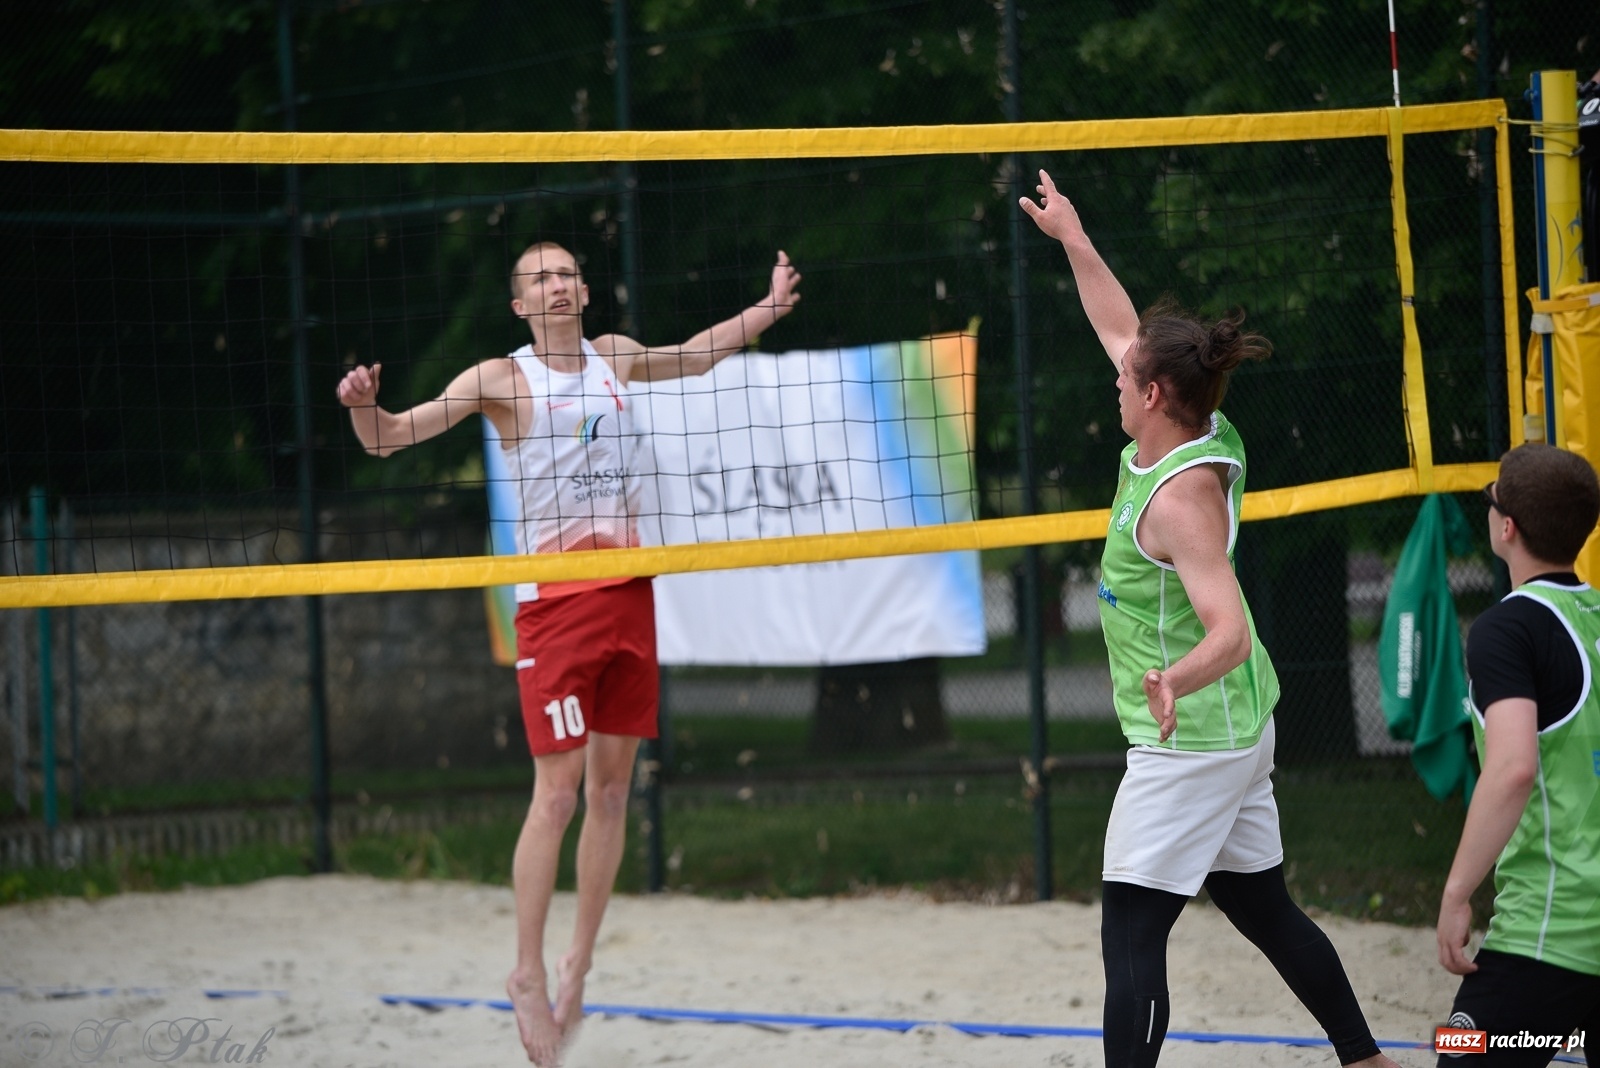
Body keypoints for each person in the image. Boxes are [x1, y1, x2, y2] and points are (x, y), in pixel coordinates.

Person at [336, 242, 801, 1066]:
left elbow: (694, 357)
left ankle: (576, 963)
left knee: (613, 793)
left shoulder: (612, 357)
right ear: (521, 306)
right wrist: (364, 407)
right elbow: (390, 441)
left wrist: (766, 308)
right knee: (557, 797)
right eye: (540, 279)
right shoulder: (500, 380)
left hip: (628, 593)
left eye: (566, 274)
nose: (557, 286)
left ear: (584, 290)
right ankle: (524, 973)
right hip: (555, 609)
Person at [1020, 169, 1401, 1068]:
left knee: (1129, 932)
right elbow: (1119, 326)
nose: (1117, 376)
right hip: (1232, 727)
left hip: (1190, 734)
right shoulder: (1196, 427)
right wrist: (1074, 237)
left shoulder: (1183, 500)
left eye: (1129, 376)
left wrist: (1172, 680)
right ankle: (1366, 1057)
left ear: (1154, 396)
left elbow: (1227, 633)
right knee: (1263, 906)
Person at [1434, 443, 1600, 1066]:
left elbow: (1513, 768)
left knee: (1460, 1053)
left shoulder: (1509, 629)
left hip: (1553, 927)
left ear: (1507, 528)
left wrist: (1456, 894)